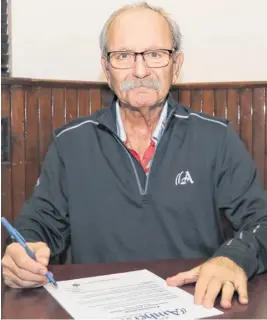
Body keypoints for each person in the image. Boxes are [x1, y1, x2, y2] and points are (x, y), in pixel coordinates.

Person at [2, 1, 267, 310]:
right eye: (123, 56)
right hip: (98, 308)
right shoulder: (70, 143)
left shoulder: (216, 138)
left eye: (155, 54)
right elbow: (38, 225)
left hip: (193, 304)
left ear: (176, 64)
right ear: (106, 67)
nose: (140, 71)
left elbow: (261, 221)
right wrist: (22, 255)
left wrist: (233, 258)